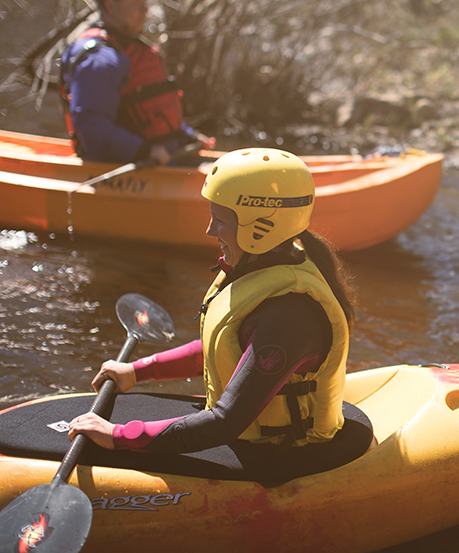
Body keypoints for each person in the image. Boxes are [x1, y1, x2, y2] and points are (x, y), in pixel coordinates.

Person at [69, 148, 365, 470]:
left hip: (284, 454)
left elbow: (225, 422)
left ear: (261, 227)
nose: (210, 231)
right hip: (244, 431)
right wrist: (137, 371)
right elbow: (220, 348)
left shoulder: (289, 315)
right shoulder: (266, 265)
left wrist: (118, 435)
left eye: (221, 221)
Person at [59, 0, 215, 164]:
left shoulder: (130, 49)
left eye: (144, 3)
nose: (144, 10)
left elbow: (150, 112)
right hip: (129, 164)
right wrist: (144, 151)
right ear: (110, 7)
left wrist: (188, 137)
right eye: (135, 4)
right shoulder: (99, 59)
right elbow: (91, 126)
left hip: (162, 157)